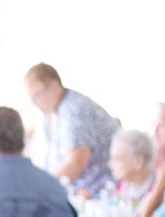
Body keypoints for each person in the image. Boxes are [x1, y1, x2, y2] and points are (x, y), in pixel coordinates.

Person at [24, 62, 118, 197]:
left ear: (54, 85)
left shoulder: (73, 109)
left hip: (98, 195)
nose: (35, 102)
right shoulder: (49, 113)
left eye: (38, 94)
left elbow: (75, 163)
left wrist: (41, 187)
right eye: (32, 98)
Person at [109, 128, 158, 205]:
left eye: (117, 159)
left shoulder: (161, 192)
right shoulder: (123, 187)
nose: (110, 165)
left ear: (138, 162)